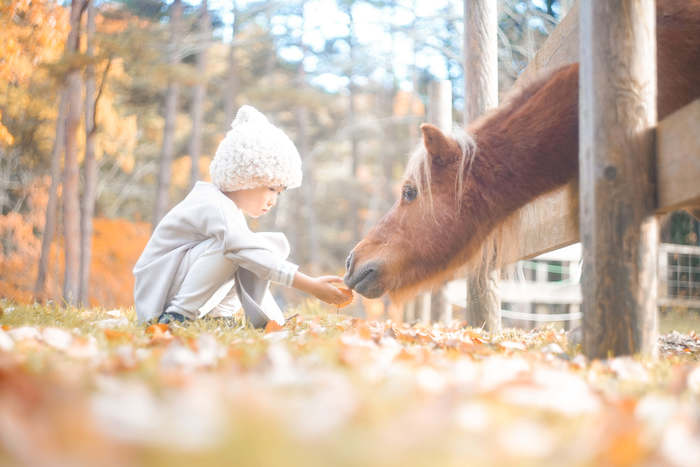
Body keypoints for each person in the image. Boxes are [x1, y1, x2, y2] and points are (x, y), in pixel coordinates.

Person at [133, 105, 351, 327]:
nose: (273, 200)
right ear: (246, 175)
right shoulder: (212, 204)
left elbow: (253, 256)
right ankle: (177, 316)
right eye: (271, 188)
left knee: (269, 245)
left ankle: (219, 315)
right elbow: (241, 250)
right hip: (158, 295)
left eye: (279, 193)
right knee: (238, 249)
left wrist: (275, 323)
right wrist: (310, 285)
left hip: (177, 280)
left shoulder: (227, 209)